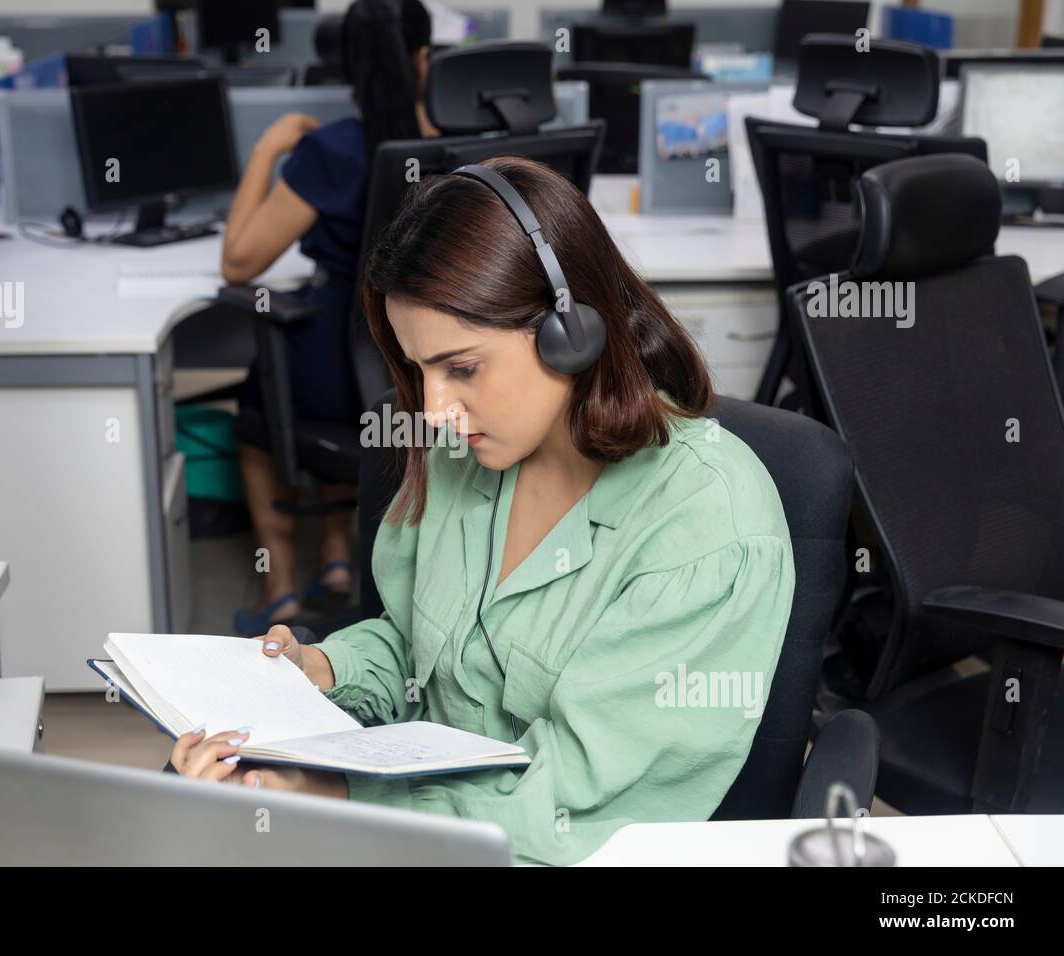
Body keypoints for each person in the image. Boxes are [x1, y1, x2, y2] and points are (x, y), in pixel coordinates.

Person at [175, 156, 796, 866]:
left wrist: (332, 798)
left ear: (572, 333)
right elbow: (420, 651)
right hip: (429, 828)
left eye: (462, 368)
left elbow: (571, 805)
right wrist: (323, 667)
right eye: (418, 371)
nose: (435, 412)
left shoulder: (704, 523)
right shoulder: (472, 452)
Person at [220, 0, 437, 634]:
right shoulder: (458, 147)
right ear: (425, 59)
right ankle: (339, 558)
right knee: (361, 403)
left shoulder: (335, 149)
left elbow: (239, 261)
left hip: (333, 364)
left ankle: (280, 586)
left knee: (259, 406)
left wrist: (267, 148)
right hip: (419, 366)